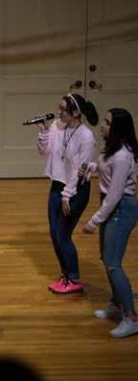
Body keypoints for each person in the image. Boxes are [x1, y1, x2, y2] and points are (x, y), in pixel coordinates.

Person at [82, 108, 138, 338]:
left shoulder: (123, 155)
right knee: (107, 258)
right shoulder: (111, 149)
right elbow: (106, 168)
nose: (102, 126)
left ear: (118, 128)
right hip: (112, 205)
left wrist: (94, 221)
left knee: (113, 263)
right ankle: (116, 304)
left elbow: (115, 194)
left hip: (120, 208)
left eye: (106, 122)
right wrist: (92, 168)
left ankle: (131, 317)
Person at [36, 92, 98, 294]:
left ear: (76, 113)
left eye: (63, 110)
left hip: (76, 189)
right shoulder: (56, 126)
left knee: (63, 235)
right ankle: (66, 275)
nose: (59, 113)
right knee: (54, 234)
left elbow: (81, 170)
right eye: (59, 108)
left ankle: (73, 278)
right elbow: (44, 151)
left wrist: (67, 195)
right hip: (57, 184)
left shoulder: (86, 136)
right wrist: (44, 132)